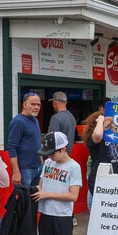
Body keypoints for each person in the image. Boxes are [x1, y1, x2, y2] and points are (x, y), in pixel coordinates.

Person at [7, 92, 43, 235]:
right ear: (25, 104)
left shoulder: (34, 120)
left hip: (37, 168)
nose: (36, 107)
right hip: (24, 169)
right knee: (21, 204)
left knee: (33, 204)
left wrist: (42, 165)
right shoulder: (18, 121)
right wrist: (16, 171)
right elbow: (12, 147)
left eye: (38, 104)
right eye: (33, 104)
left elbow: (37, 145)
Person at [47, 91, 78, 226]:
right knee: (67, 189)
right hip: (68, 157)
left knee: (56, 189)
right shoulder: (71, 116)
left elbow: (52, 141)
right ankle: (71, 216)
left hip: (57, 159)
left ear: (55, 102)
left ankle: (64, 217)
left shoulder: (56, 118)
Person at [83, 109, 118, 209]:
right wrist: (100, 120)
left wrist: (113, 125)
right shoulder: (94, 139)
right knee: (101, 209)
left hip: (113, 178)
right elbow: (98, 135)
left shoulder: (110, 138)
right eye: (107, 125)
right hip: (100, 179)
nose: (109, 127)